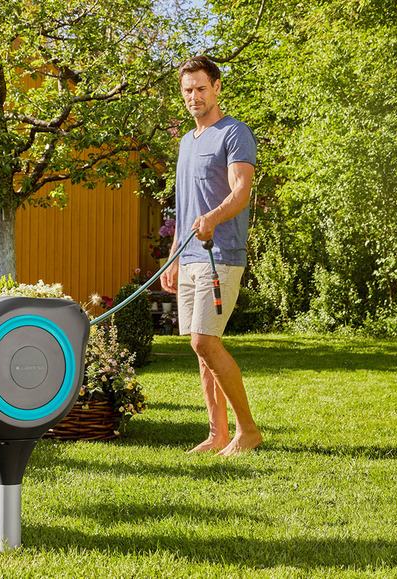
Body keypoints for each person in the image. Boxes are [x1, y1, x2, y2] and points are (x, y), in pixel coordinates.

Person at [160, 55, 262, 456]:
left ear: (217, 87)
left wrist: (213, 218)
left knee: (205, 341)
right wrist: (173, 256)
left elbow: (241, 192)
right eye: (188, 90)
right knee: (200, 346)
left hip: (221, 253)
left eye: (201, 88)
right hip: (189, 256)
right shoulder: (187, 141)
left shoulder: (234, 133)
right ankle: (218, 433)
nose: (194, 97)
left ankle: (247, 431)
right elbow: (184, 206)